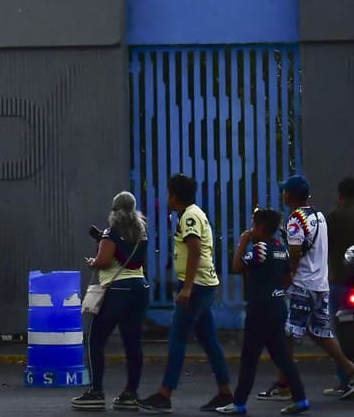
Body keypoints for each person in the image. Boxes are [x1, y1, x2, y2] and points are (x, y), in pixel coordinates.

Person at [138, 174, 233, 413]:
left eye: (169, 193)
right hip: (203, 284)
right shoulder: (192, 213)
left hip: (197, 287)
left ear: (175, 196)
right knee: (209, 341)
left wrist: (188, 288)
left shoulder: (189, 216)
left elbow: (194, 249)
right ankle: (225, 393)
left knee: (177, 339)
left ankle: (164, 394)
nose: (167, 198)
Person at [257, 174, 354, 403]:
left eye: (284, 191)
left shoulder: (295, 220)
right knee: (320, 333)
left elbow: (294, 257)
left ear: (288, 195)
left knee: (287, 335)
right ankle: (350, 369)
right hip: (320, 285)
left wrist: (285, 278)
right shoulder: (319, 216)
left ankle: (285, 385)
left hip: (302, 285)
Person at [215, 208, 309, 415]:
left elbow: (237, 266)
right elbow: (288, 277)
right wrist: (275, 291)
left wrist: (242, 241)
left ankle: (238, 403)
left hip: (259, 311)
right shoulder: (280, 248)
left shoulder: (260, 249)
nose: (250, 229)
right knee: (282, 357)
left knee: (249, 358)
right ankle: (300, 398)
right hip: (277, 308)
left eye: (253, 225)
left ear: (261, 228)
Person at [71, 191, 150, 412]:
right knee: (133, 343)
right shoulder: (142, 231)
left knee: (95, 340)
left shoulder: (111, 232)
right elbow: (135, 258)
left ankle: (96, 392)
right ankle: (130, 394)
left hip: (117, 290)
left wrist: (93, 261)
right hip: (139, 288)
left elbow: (104, 261)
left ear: (114, 209)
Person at [325, 177, 354, 396]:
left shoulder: (334, 217)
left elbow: (325, 246)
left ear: (340, 195)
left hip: (340, 282)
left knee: (340, 333)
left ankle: (345, 380)